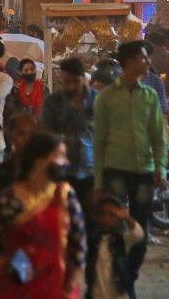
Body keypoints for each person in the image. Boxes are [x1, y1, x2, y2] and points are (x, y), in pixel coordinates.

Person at [94, 41, 168, 297]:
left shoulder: (150, 96)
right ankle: (119, 279)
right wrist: (97, 182)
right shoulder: (106, 98)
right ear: (128, 62)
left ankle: (128, 278)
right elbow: (99, 141)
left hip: (144, 171)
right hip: (115, 169)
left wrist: (161, 168)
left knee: (141, 230)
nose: (147, 62)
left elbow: (159, 137)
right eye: (142, 58)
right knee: (115, 228)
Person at [0, 132, 85, 298]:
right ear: (39, 161)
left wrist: (73, 282)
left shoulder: (65, 195)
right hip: (18, 288)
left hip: (58, 288)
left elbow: (78, 242)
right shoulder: (8, 200)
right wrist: (7, 265)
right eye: (60, 156)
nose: (66, 162)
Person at [41, 57, 97, 219]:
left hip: (92, 170)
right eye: (67, 81)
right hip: (62, 169)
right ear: (61, 79)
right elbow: (46, 133)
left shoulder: (98, 101)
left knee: (90, 220)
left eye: (75, 81)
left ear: (84, 78)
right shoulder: (53, 102)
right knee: (63, 218)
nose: (71, 86)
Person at [87, 195, 145, 299]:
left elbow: (138, 234)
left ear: (119, 219)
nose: (106, 218)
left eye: (112, 215)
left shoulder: (122, 240)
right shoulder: (93, 240)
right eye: (102, 214)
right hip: (97, 294)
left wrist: (127, 218)